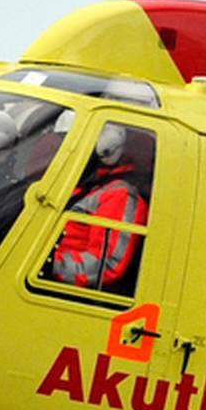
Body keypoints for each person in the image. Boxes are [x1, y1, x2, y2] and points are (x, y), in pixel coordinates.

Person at [45, 125, 151, 293]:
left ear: (104, 150)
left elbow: (107, 264)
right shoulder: (88, 186)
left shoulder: (120, 196)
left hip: (66, 293)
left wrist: (48, 265)